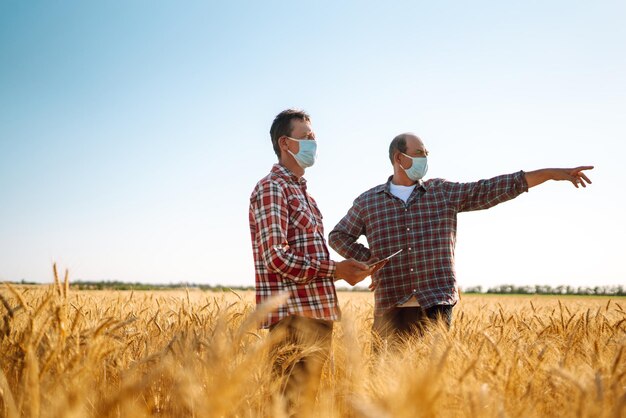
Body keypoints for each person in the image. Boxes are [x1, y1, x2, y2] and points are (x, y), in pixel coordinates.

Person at [328, 133, 593, 343]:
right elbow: (338, 235)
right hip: (391, 303)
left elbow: (489, 189)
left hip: (436, 302)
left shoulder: (442, 192)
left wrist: (549, 174)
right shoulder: (368, 202)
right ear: (399, 158)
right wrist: (371, 261)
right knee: (383, 385)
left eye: (426, 153)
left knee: (434, 385)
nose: (425, 158)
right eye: (418, 153)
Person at [248, 109, 371, 411]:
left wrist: (347, 270)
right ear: (285, 143)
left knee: (306, 406)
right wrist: (336, 270)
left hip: (317, 315)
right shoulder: (272, 188)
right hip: (292, 318)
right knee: (290, 407)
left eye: (314, 138)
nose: (313, 144)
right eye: (306, 138)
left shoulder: (304, 194)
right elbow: (275, 256)